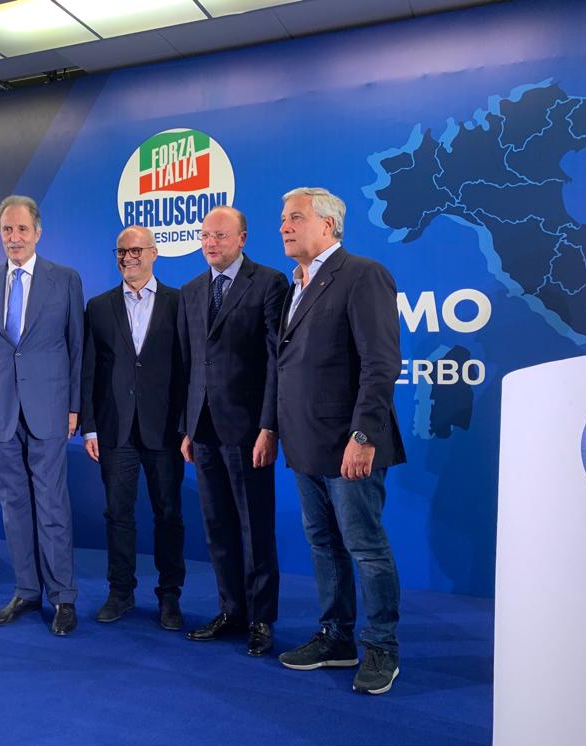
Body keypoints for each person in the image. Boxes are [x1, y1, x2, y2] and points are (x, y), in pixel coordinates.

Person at [274, 187, 406, 694]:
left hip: (350, 443)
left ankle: (381, 647)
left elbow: (381, 363)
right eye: (283, 220)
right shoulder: (297, 283)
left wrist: (364, 435)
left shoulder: (363, 274)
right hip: (306, 443)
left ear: (328, 225)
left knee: (365, 547)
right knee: (324, 545)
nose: (284, 227)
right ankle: (336, 637)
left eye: (295, 218)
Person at [0, 194, 84, 636]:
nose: (14, 237)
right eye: (7, 230)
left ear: (38, 232)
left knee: (52, 505)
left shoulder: (64, 279)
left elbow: (77, 347)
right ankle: (27, 591)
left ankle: (63, 596)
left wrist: (74, 406)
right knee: (14, 507)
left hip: (49, 410)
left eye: (22, 229)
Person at [177, 205, 288, 657]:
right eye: (205, 235)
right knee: (217, 526)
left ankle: (261, 619)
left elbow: (276, 363)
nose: (211, 243)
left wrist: (268, 425)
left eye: (220, 235)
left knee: (255, 526)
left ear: (242, 238)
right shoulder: (191, 290)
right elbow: (190, 364)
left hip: (248, 429)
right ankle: (231, 610)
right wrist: (187, 427)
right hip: (202, 428)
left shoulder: (269, 283)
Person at [82, 225, 186, 630]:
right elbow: (89, 371)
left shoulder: (180, 302)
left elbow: (188, 370)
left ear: (154, 253)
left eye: (136, 250)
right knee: (118, 515)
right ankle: (120, 593)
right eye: (122, 251)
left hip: (166, 430)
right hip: (115, 430)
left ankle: (169, 597)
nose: (128, 257)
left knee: (169, 515)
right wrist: (90, 426)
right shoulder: (98, 306)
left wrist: (187, 427)